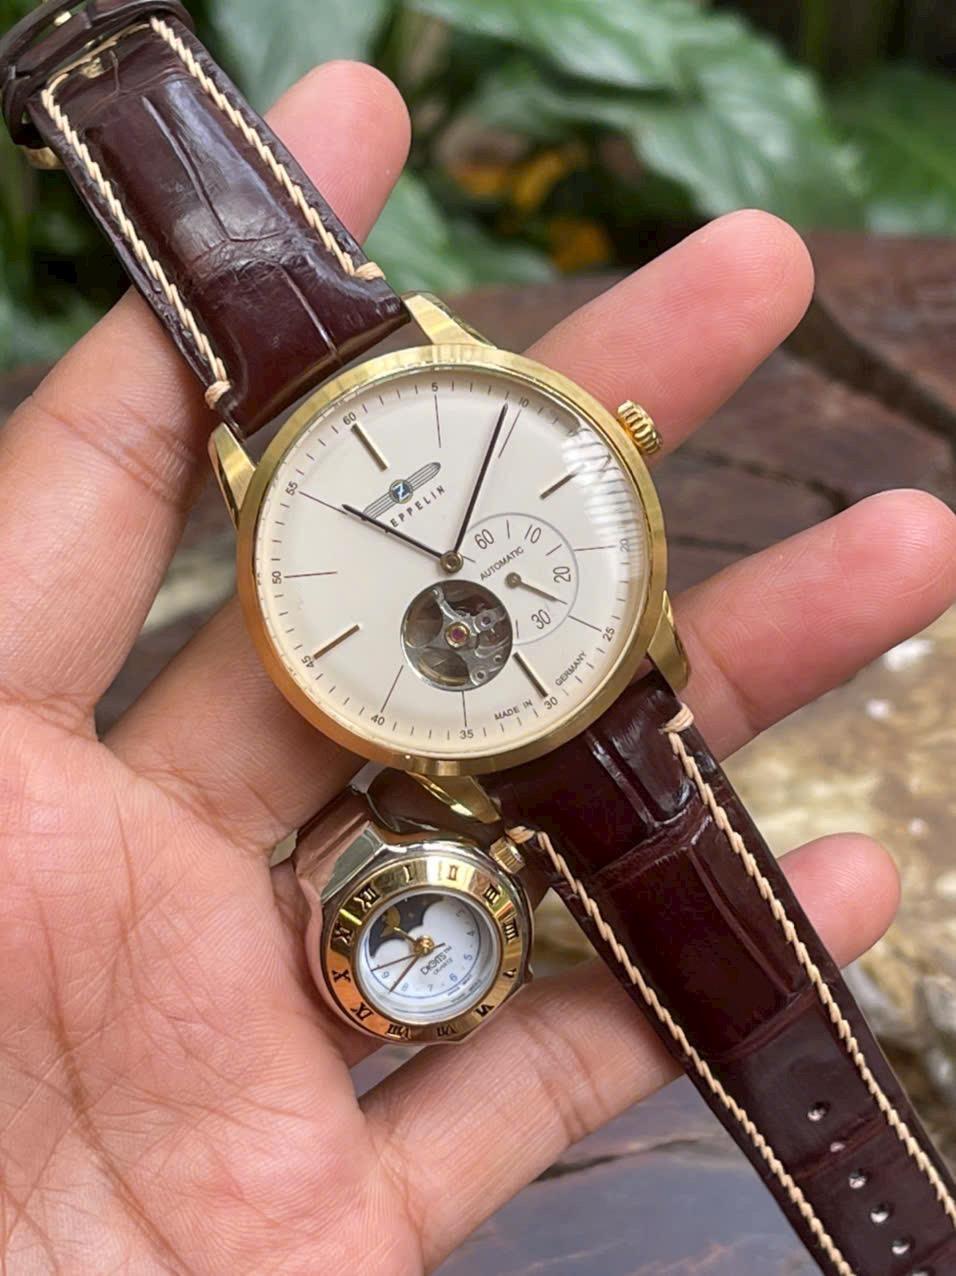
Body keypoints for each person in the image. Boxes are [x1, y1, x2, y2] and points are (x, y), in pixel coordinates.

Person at [0, 61, 953, 1273]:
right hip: (500, 721)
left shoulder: (470, 425)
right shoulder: (296, 531)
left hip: (594, 676)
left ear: (613, 444)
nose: (447, 558)